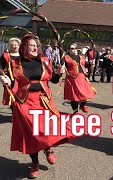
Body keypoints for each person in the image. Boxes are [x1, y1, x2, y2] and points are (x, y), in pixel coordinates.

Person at [0, 34, 74, 178]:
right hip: (25, 103)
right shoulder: (14, 63)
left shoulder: (44, 61)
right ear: (24, 47)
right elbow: (14, 83)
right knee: (32, 135)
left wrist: (58, 74)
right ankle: (34, 163)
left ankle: (48, 149)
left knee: (46, 129)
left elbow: (52, 79)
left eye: (37, 46)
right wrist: (8, 82)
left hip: (44, 101)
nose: (35, 48)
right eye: (32, 45)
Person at [62, 43, 96, 114]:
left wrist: (90, 64)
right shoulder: (66, 58)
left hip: (82, 78)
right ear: (68, 50)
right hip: (72, 79)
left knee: (86, 93)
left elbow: (85, 65)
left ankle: (82, 105)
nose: (74, 50)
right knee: (74, 97)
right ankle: (75, 112)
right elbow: (62, 65)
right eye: (72, 48)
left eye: (75, 48)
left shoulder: (81, 57)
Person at [0, 38, 21, 108]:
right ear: (10, 46)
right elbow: (0, 67)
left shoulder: (23, 55)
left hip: (22, 79)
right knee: (12, 97)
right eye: (13, 45)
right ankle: (14, 115)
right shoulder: (5, 55)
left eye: (17, 45)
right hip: (10, 79)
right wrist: (3, 76)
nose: (15, 46)